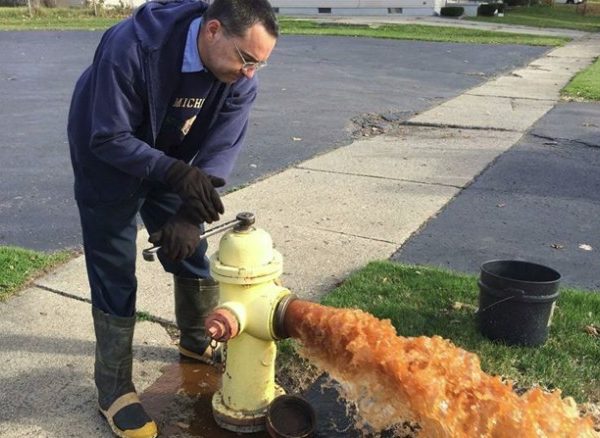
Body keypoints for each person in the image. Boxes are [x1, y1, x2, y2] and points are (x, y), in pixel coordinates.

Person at [67, 0, 278, 436]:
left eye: (260, 64)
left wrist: (187, 211)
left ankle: (198, 341)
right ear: (213, 30)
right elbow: (109, 135)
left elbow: (221, 146)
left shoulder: (238, 76)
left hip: (170, 154)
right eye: (246, 59)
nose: (250, 73)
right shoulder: (132, 46)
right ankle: (114, 390)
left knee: (192, 251)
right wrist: (173, 171)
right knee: (115, 268)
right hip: (105, 155)